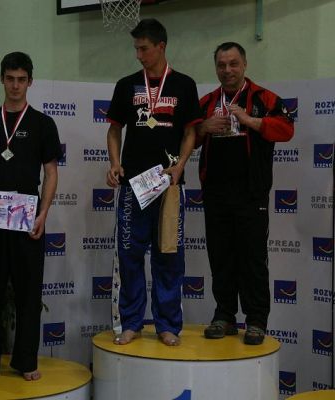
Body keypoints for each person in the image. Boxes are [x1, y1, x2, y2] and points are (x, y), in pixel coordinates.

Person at [0, 52, 62, 381]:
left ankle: (26, 361)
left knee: (28, 293)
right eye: (10, 79)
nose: (15, 85)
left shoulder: (43, 124)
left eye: (21, 79)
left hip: (27, 217)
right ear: (2, 80)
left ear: (30, 82)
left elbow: (51, 172)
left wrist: (43, 213)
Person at [106, 19, 202, 346]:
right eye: (136, 49)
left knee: (168, 255)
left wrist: (180, 166)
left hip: (169, 185)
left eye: (144, 48)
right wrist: (115, 163)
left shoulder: (184, 85)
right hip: (134, 185)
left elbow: (190, 132)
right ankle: (131, 322)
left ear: (161, 46)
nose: (139, 55)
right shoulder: (127, 85)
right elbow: (114, 130)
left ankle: (167, 325)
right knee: (130, 255)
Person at [195, 42, 294, 345]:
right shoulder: (207, 102)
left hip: (251, 194)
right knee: (221, 257)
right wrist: (203, 128)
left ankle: (256, 320)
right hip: (216, 193)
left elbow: (287, 129)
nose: (227, 70)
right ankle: (224, 315)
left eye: (233, 64)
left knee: (252, 258)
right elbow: (188, 137)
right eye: (221, 65)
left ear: (245, 65)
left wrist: (251, 121)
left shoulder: (265, 98)